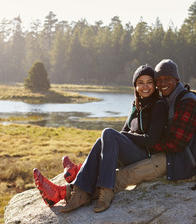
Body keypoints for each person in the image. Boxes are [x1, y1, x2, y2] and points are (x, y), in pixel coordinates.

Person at [33, 64, 168, 213]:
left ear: (155, 85)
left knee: (108, 133)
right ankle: (79, 192)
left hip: (145, 157)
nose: (145, 86)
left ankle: (106, 190)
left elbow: (151, 140)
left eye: (149, 82)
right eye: (140, 83)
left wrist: (122, 137)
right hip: (131, 153)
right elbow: (124, 131)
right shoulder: (136, 104)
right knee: (102, 140)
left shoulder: (159, 105)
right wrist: (120, 138)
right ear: (135, 86)